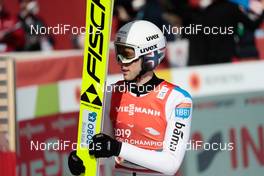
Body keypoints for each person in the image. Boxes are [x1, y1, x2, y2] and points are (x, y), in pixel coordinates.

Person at [68, 20, 193, 176]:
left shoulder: (177, 100)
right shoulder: (112, 93)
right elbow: (104, 150)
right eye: (118, 52)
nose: (121, 62)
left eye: (127, 54)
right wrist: (82, 160)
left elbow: (170, 164)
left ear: (149, 55)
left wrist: (117, 148)